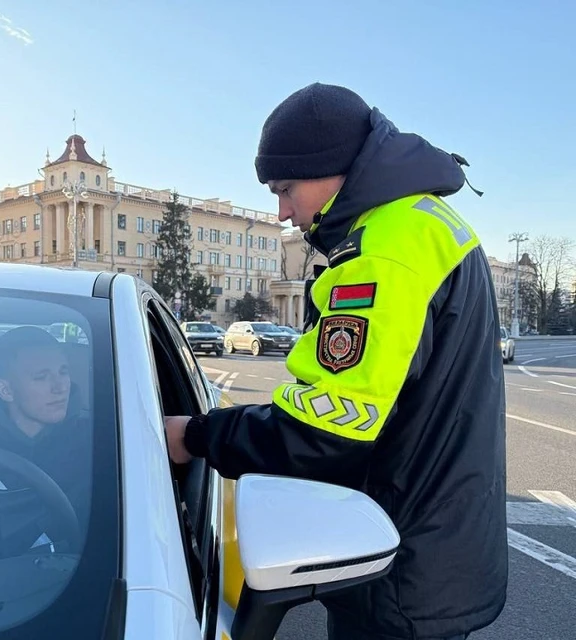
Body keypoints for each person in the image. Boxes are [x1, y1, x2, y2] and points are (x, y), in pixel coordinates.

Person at [165, 83, 507, 640]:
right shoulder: (425, 221)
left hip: (398, 565)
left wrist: (198, 436)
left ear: (331, 168)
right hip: (442, 542)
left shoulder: (379, 254)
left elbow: (325, 431)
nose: (281, 211)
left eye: (285, 188)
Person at [0, 325, 91, 547]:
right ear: (6, 390)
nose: (60, 387)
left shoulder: (99, 445)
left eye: (63, 372)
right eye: (41, 377)